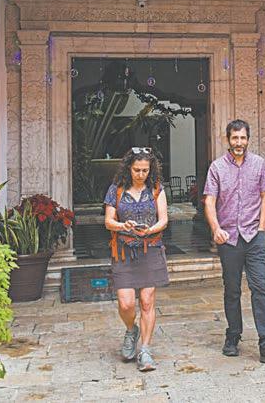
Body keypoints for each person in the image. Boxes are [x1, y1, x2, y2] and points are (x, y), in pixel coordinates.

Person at [203, 120, 265, 364]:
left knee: (260, 287)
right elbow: (209, 201)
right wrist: (216, 229)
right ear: (228, 139)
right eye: (235, 138)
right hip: (229, 238)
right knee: (232, 290)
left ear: (248, 139)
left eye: (242, 138)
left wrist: (262, 228)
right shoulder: (217, 167)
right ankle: (233, 335)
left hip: (254, 237)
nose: (239, 142)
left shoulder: (259, 164)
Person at [103, 147, 169, 371]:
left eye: (145, 170)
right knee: (126, 303)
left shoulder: (157, 189)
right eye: (137, 170)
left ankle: (146, 350)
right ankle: (131, 330)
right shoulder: (116, 189)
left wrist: (150, 230)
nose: (141, 174)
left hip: (150, 249)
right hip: (124, 251)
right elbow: (108, 221)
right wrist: (124, 225)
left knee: (147, 301)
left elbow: (164, 220)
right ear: (128, 168)